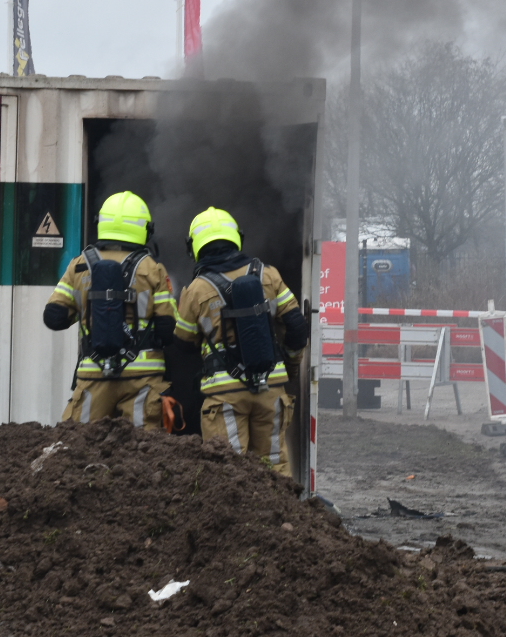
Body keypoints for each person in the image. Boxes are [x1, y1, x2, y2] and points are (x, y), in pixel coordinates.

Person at [173, 207, 310, 474]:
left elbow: (183, 344)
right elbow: (296, 327)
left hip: (225, 397)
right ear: (237, 238)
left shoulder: (196, 290)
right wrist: (290, 368)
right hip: (271, 391)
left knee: (229, 472)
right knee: (273, 468)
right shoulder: (269, 275)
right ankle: (283, 516)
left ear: (195, 247)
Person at [43, 191, 176, 430]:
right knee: (142, 451)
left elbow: (55, 317)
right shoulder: (152, 268)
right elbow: (167, 328)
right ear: (145, 228)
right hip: (142, 379)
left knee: (78, 447)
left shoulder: (79, 265)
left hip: (93, 374)